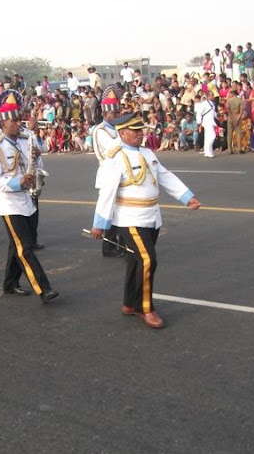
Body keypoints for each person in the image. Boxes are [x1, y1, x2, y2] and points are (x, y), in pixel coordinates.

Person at [90, 113, 200, 329]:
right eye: (136, 131)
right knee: (148, 260)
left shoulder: (147, 153)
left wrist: (187, 197)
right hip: (129, 218)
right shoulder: (115, 158)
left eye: (141, 130)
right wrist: (99, 223)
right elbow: (107, 193)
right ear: (122, 133)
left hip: (151, 217)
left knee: (136, 261)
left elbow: (165, 176)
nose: (141, 134)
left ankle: (130, 303)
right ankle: (145, 307)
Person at [0, 90, 59, 303]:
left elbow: (37, 162)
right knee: (25, 247)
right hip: (9, 203)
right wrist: (17, 182)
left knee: (15, 246)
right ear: (4, 123)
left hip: (26, 200)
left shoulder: (26, 140)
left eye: (19, 119)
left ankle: (10, 283)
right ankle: (43, 289)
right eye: (15, 120)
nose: (20, 123)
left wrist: (36, 171)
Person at [91, 85, 124, 257]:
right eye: (113, 113)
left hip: (122, 173)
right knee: (109, 208)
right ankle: (109, 247)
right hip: (108, 173)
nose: (117, 116)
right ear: (105, 114)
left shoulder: (119, 128)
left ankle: (119, 245)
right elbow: (113, 148)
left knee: (120, 210)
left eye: (118, 113)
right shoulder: (100, 130)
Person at [195, 93, 216, 158]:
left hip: (211, 121)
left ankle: (207, 151)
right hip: (207, 121)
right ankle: (208, 151)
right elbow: (199, 112)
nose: (213, 96)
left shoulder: (212, 103)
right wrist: (199, 121)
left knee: (207, 137)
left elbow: (213, 112)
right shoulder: (204, 103)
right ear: (208, 96)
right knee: (212, 136)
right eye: (212, 95)